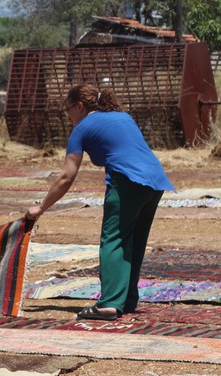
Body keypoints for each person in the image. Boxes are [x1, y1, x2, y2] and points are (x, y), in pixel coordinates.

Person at [25, 84, 174, 321]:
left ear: (80, 106)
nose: (68, 116)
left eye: (68, 110)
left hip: (127, 181)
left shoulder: (82, 128)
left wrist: (41, 207)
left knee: (113, 240)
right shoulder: (123, 117)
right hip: (155, 182)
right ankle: (126, 300)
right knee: (133, 240)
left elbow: (66, 177)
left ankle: (109, 304)